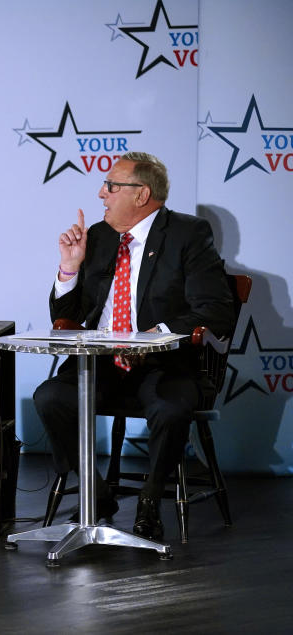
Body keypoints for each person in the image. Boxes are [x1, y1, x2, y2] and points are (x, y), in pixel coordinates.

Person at [32, 151, 234, 540]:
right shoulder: (101, 237)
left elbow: (215, 310)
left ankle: (149, 502)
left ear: (141, 194)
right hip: (101, 365)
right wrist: (69, 267)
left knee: (171, 407)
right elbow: (65, 315)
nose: (101, 193)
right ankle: (97, 493)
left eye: (110, 185)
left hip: (166, 366)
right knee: (50, 397)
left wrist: (151, 337)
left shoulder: (187, 235)